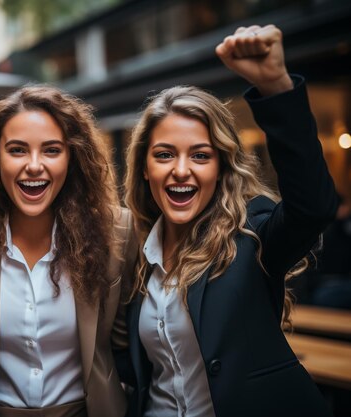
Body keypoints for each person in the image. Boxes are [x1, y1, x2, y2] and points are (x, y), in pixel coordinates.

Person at [121, 25, 337, 417]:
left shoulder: (252, 234)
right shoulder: (133, 254)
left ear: (220, 169)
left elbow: (314, 207)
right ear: (144, 169)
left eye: (200, 155)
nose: (181, 171)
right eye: (165, 154)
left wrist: (276, 87)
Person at [0, 86, 138, 417]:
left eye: (51, 150)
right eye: (17, 150)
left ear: (71, 157)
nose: (34, 165)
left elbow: (124, 344)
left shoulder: (118, 232)